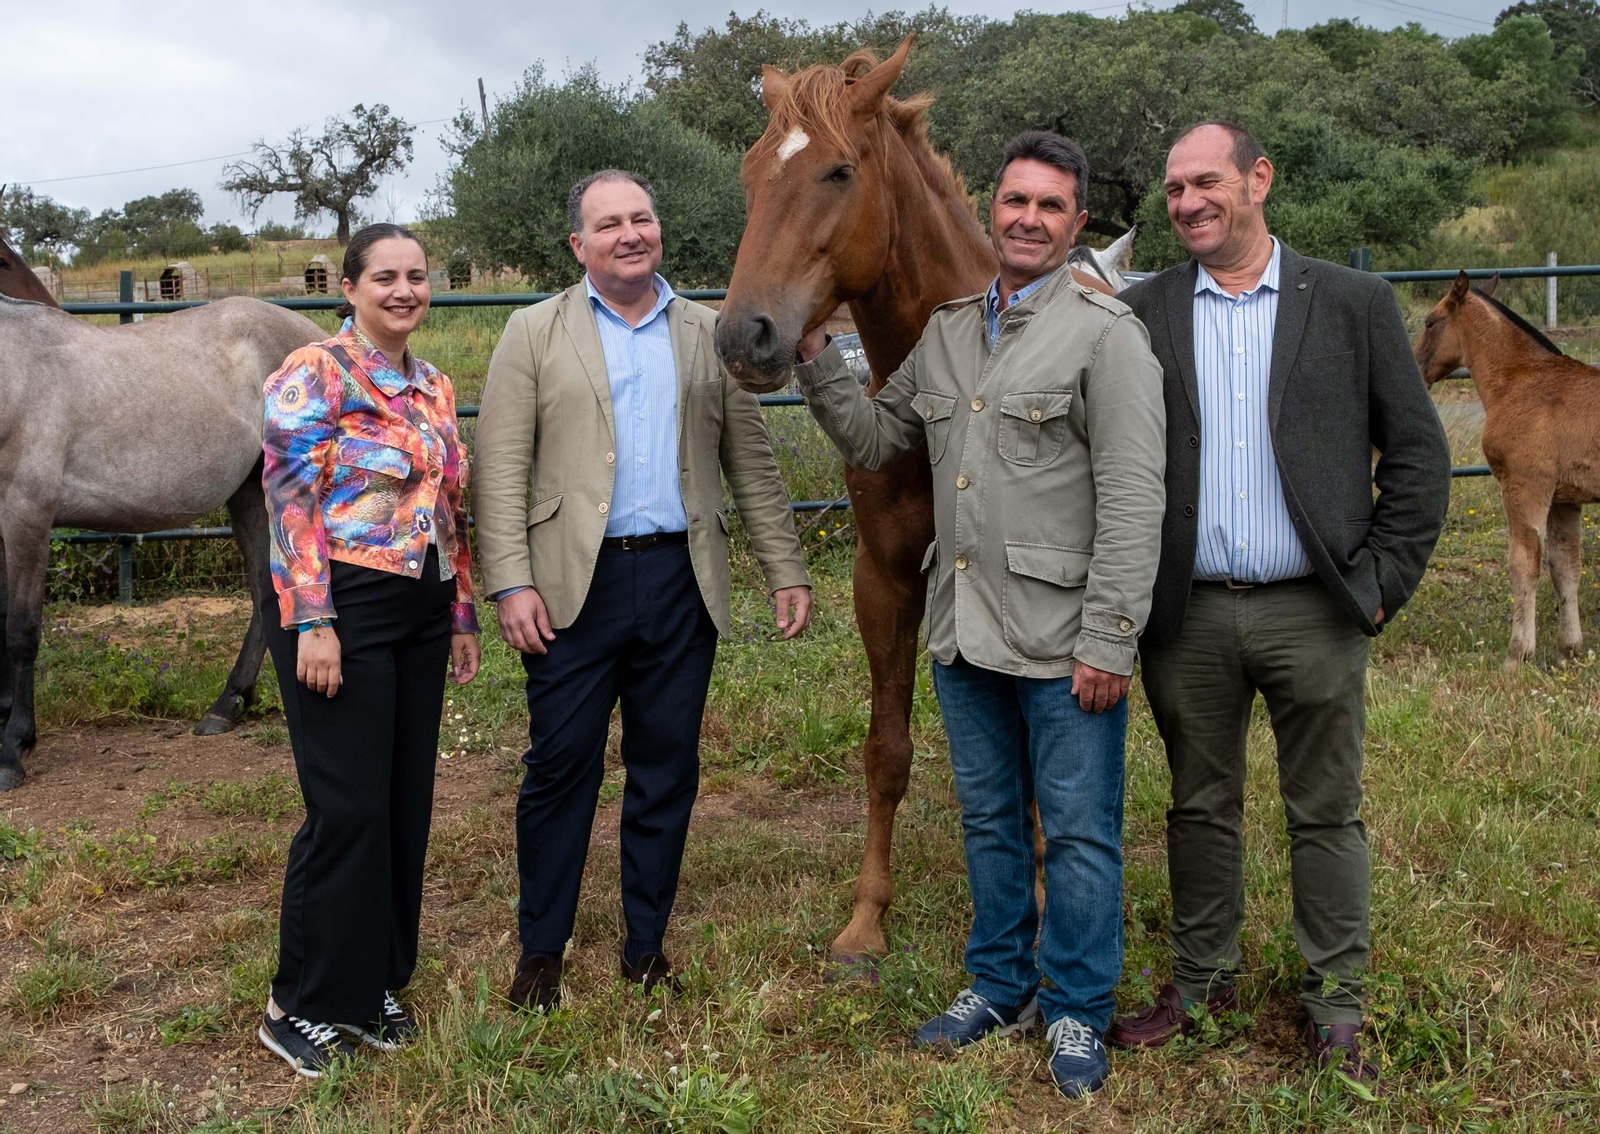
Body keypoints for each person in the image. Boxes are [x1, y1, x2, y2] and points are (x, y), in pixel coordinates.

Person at [793, 131, 1166, 1098]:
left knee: (1080, 832)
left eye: (1050, 206)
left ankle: (1077, 1006)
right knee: (993, 819)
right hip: (966, 631)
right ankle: (999, 982)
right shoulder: (951, 333)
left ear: (1076, 222)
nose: (1030, 220)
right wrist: (820, 362)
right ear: (991, 212)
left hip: (1063, 635)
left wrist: (1111, 636)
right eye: (1016, 203)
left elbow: (1133, 498)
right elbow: (879, 437)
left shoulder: (1106, 333)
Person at [1109, 123, 1450, 1087]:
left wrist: (1379, 585)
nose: (1186, 204)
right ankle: (1203, 981)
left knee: (1326, 813)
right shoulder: (1144, 311)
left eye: (1205, 182)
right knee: (1198, 807)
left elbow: (1420, 456)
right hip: (1191, 612)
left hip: (1317, 607)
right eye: (1173, 190)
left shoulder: (1352, 302)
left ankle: (1336, 1003)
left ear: (1258, 179)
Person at [474, 169, 812, 1013]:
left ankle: (645, 945)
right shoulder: (533, 332)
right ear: (578, 245)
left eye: (643, 218)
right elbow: (500, 469)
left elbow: (752, 464)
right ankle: (541, 949)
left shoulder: (707, 331)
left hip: (678, 580)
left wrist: (787, 567)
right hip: (568, 586)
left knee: (666, 770)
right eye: (610, 224)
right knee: (560, 769)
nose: (631, 233)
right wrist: (510, 582)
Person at [256, 223, 481, 1077]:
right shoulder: (312, 373)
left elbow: (446, 507)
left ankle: (374, 981)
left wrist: (459, 611)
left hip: (420, 601)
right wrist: (313, 619)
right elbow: (290, 501)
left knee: (401, 802)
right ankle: (299, 1001)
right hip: (340, 604)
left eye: (417, 276)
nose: (404, 290)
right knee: (346, 806)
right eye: (384, 276)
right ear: (347, 288)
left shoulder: (431, 384)